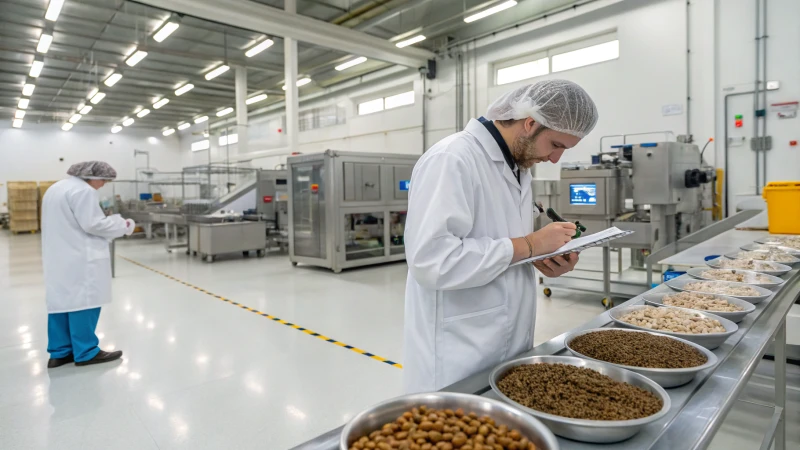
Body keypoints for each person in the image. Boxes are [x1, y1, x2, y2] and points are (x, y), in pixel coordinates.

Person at [403, 80, 599, 393]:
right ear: (530, 123)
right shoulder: (452, 159)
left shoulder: (519, 167)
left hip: (509, 340)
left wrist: (542, 258)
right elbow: (432, 261)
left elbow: (504, 241)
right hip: (458, 350)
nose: (555, 159)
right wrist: (531, 244)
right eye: (556, 145)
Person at [42, 161, 135, 368]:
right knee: (84, 302)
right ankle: (86, 351)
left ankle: (60, 352)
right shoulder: (83, 191)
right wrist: (124, 224)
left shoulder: (56, 188)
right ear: (90, 176)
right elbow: (94, 224)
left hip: (58, 257)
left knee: (61, 302)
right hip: (81, 257)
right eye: (103, 180)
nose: (103, 185)